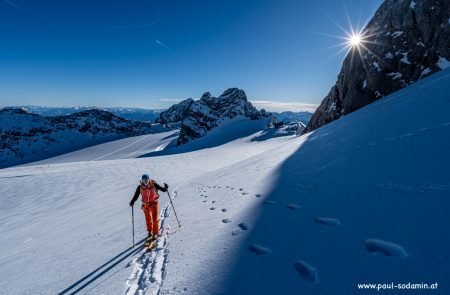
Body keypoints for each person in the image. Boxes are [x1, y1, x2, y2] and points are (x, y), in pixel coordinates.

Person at [130, 174, 169, 243]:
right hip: (146, 205)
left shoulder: (153, 184)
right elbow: (136, 195)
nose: (145, 181)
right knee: (148, 219)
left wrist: (166, 188)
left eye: (146, 180)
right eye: (144, 180)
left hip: (154, 203)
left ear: (149, 179)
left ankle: (155, 233)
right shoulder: (140, 187)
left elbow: (162, 189)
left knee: (155, 219)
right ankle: (150, 231)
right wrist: (132, 201)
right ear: (142, 180)